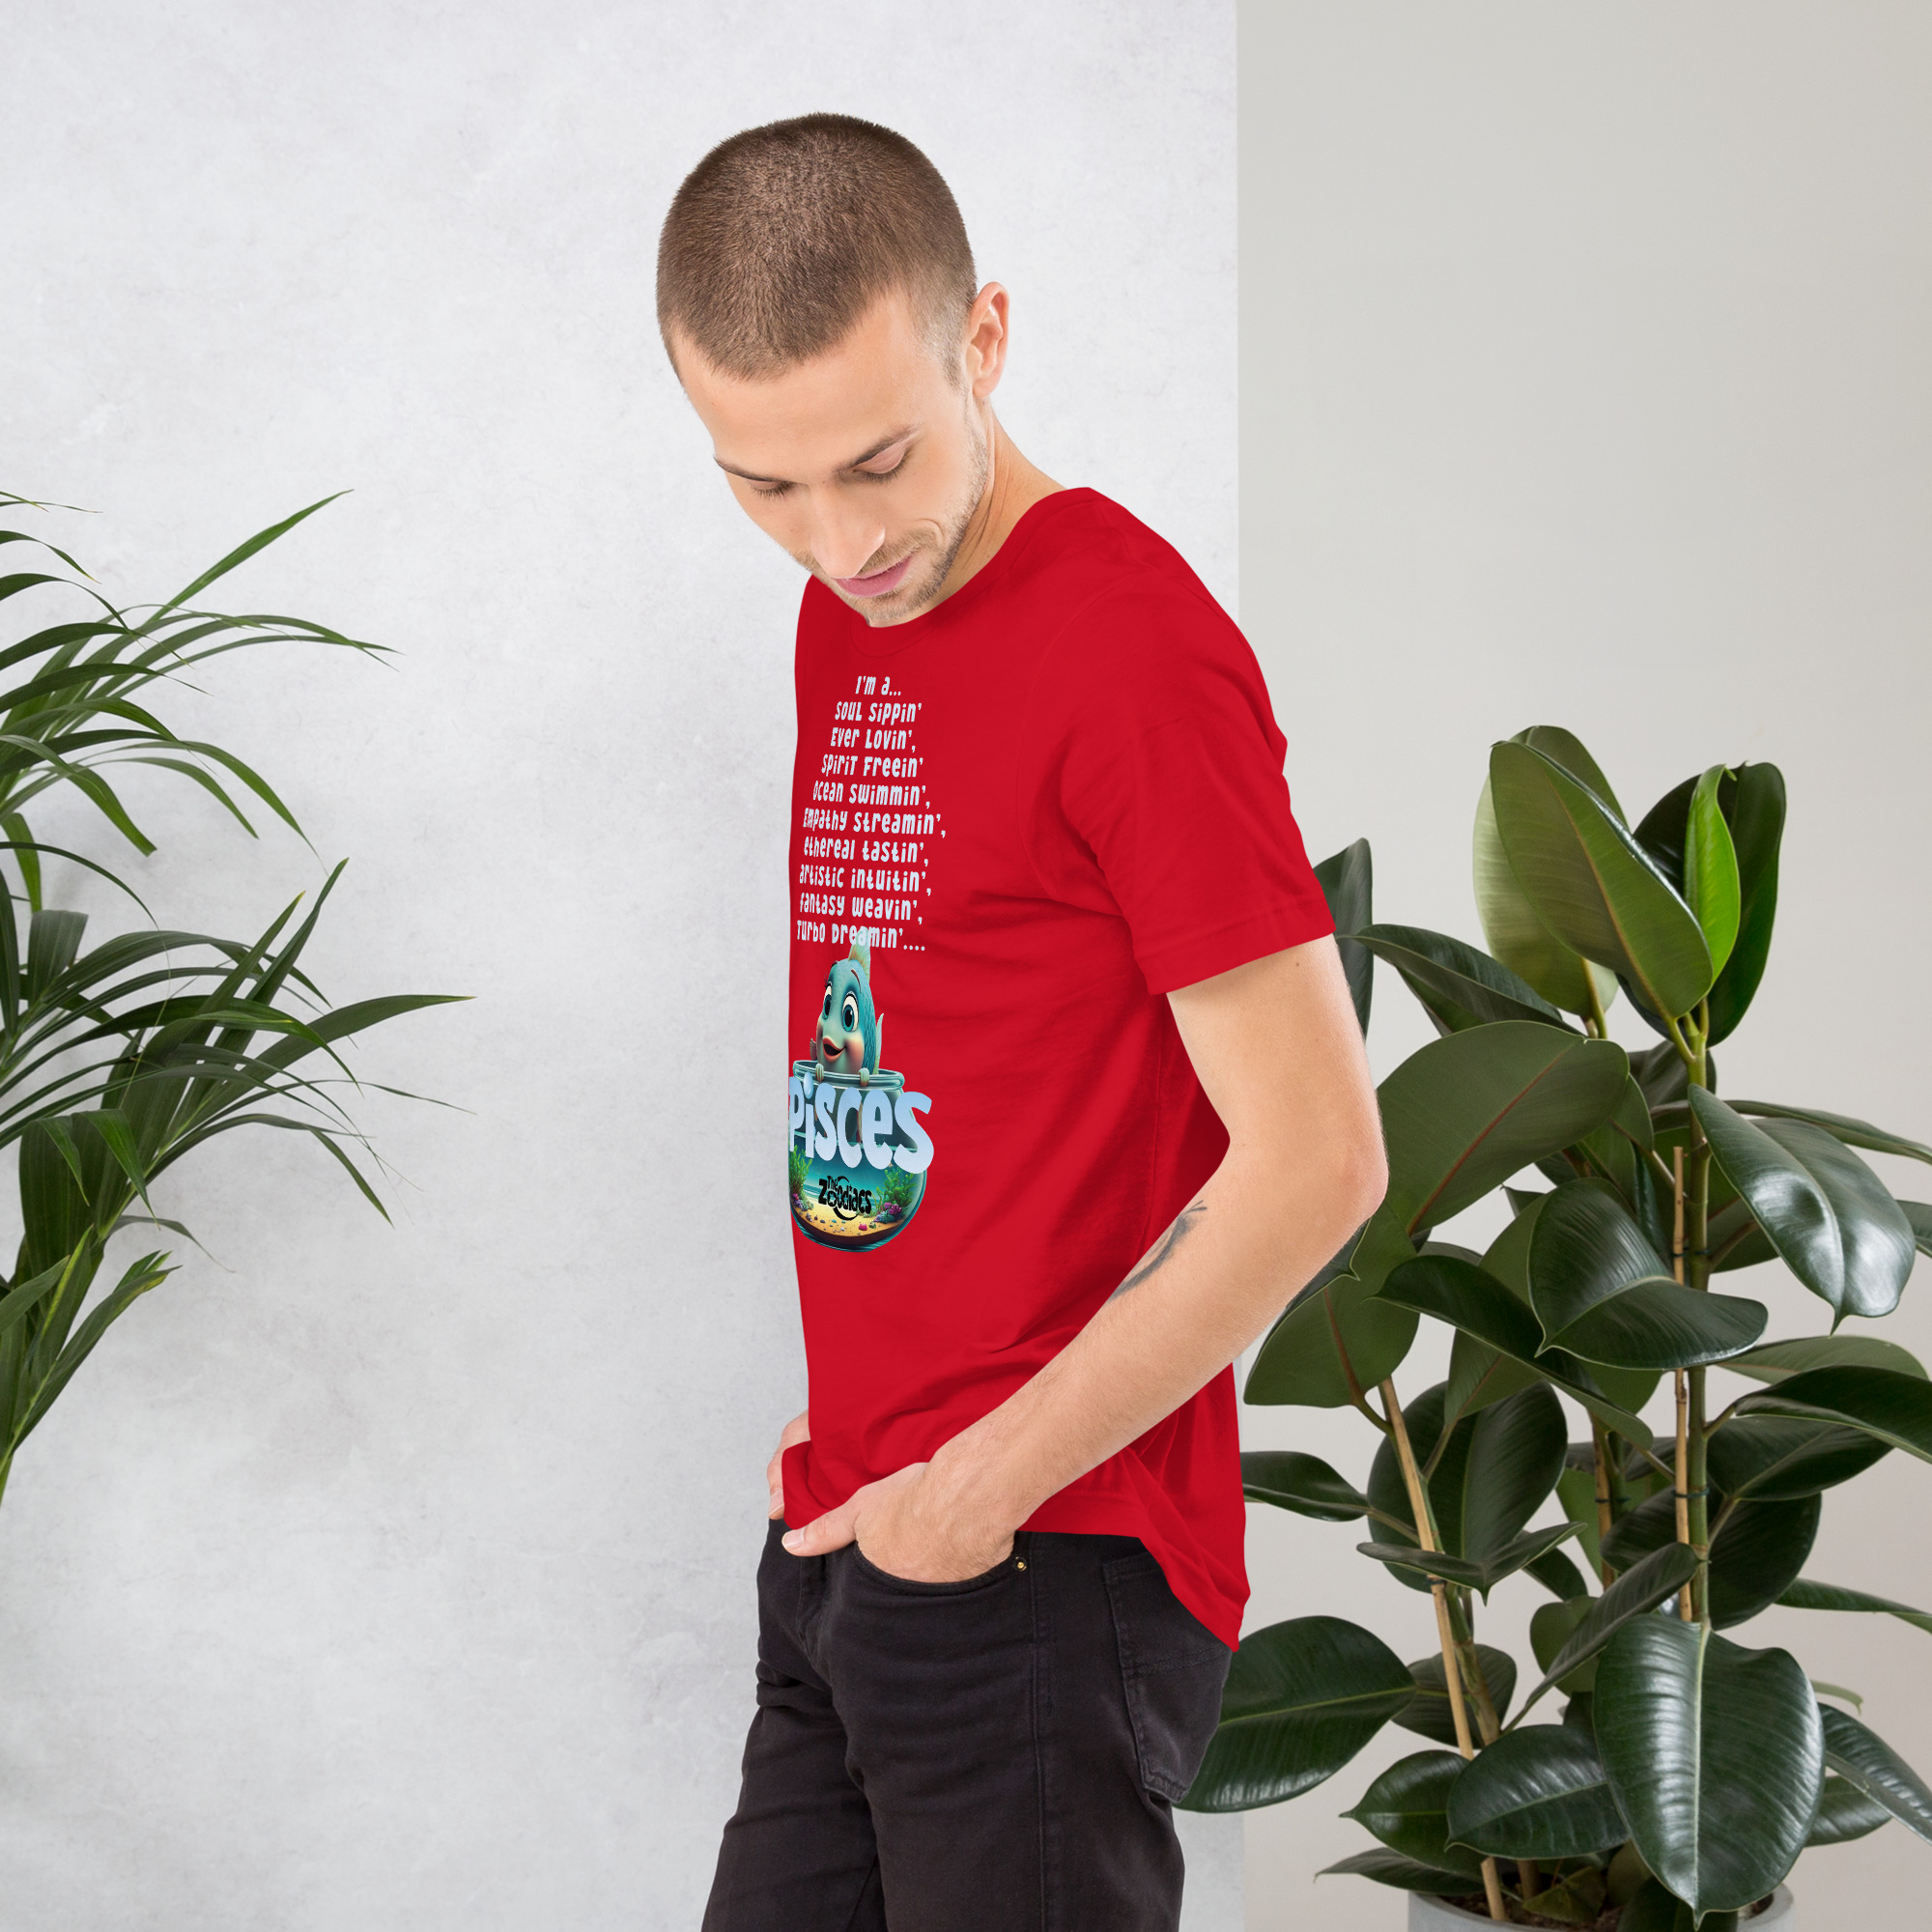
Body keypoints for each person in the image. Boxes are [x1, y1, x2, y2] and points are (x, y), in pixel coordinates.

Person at [656, 113, 1386, 1932]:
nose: (840, 540)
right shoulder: (854, 614)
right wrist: (872, 1437)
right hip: (858, 1531)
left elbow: (1319, 1155)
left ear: (983, 337)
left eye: (878, 461)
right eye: (766, 485)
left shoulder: (1131, 650)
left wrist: (979, 1483)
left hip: (1044, 1557)